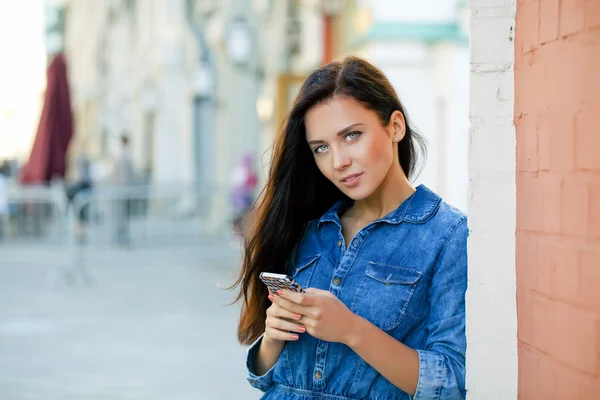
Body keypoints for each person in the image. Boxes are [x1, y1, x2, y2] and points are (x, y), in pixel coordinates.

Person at [232, 56, 468, 399]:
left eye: (352, 135)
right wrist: (271, 337)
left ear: (395, 127)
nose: (338, 161)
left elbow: (451, 383)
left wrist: (351, 330)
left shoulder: (447, 236)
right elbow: (267, 378)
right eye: (322, 148)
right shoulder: (310, 229)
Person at [112, 134, 135, 247]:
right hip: (122, 189)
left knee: (124, 214)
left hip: (125, 189)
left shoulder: (125, 156)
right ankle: (120, 237)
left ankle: (123, 236)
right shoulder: (122, 156)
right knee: (121, 214)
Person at [229, 153, 258, 236]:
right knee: (240, 218)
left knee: (243, 218)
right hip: (241, 200)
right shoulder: (242, 171)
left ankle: (240, 234)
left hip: (244, 200)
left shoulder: (245, 171)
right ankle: (238, 235)